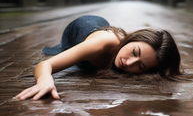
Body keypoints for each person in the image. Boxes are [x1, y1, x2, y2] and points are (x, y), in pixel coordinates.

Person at [15, 15, 181, 101]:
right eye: (134, 52)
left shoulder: (132, 56)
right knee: (63, 55)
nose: (128, 63)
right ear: (132, 39)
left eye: (141, 66)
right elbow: (45, 65)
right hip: (79, 29)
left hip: (102, 32)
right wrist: (44, 80)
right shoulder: (101, 44)